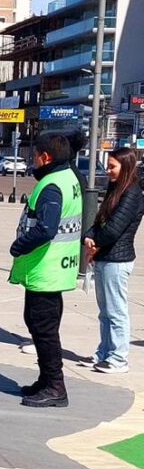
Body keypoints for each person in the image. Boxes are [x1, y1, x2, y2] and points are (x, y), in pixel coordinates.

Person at [10, 132, 82, 407]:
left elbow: (46, 229)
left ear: (46, 157)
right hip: (55, 267)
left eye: (35, 155)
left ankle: (55, 386)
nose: (33, 160)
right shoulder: (68, 178)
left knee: (44, 329)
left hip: (46, 268)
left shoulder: (52, 185)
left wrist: (19, 246)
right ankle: (46, 379)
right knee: (38, 324)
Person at [81, 148, 143, 374]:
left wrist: (95, 243)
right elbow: (101, 219)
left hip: (117, 259)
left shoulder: (133, 193)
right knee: (105, 311)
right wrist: (88, 236)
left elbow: (115, 228)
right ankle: (104, 352)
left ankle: (118, 358)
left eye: (112, 167)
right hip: (104, 257)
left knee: (116, 311)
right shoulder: (115, 189)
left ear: (126, 167)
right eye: (108, 166)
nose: (108, 171)